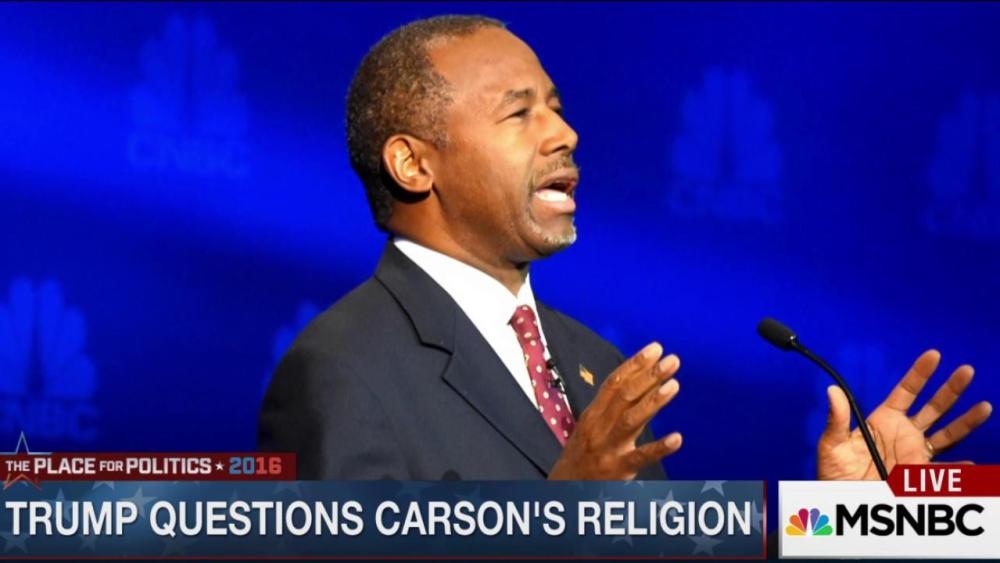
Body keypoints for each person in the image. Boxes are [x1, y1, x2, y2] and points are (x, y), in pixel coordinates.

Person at [258, 15, 992, 481]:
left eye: (556, 108)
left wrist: (842, 524)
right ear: (414, 164)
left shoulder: (595, 363)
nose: (565, 133)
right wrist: (565, 516)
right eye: (519, 113)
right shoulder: (339, 371)